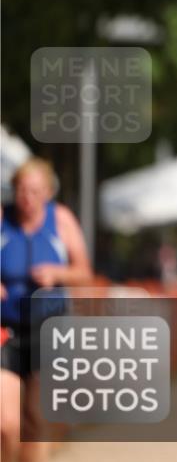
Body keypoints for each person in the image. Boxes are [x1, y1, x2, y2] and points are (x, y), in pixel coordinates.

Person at [1, 158, 93, 462]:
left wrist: (58, 273)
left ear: (48, 193)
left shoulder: (61, 220)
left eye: (35, 192)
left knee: (36, 419)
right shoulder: (3, 219)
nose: (28, 199)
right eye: (23, 191)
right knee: (6, 424)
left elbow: (84, 272)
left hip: (48, 329)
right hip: (6, 329)